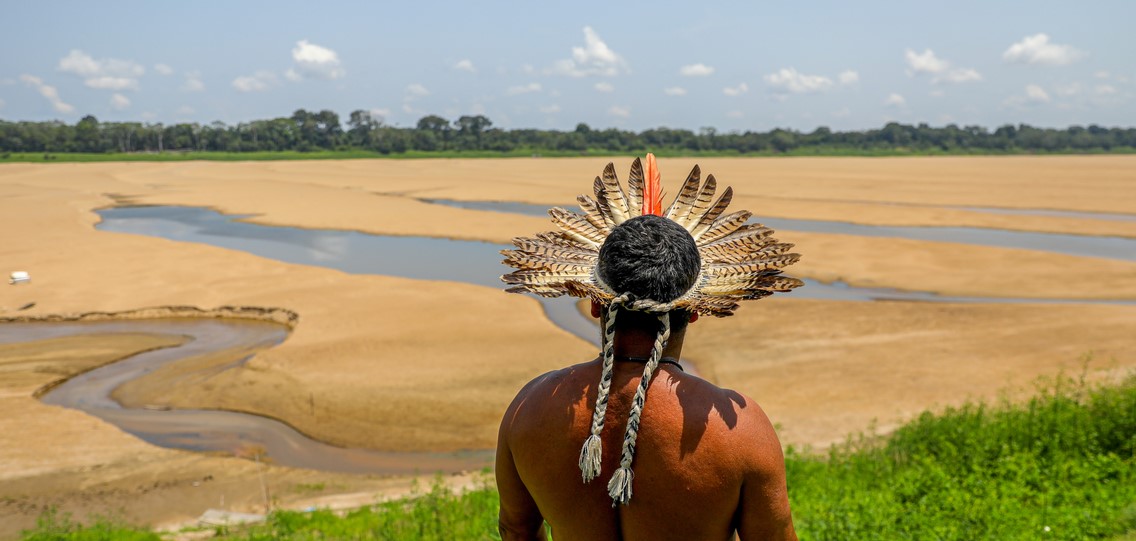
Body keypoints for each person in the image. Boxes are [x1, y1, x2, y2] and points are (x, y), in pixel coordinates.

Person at [497, 155, 801, 540]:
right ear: (694, 310)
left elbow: (515, 529)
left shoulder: (529, 407)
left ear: (593, 303)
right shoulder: (740, 429)